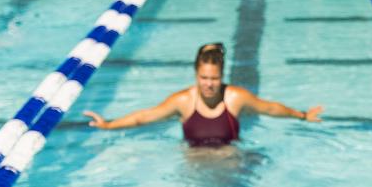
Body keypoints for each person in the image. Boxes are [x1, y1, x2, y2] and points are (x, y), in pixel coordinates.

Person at [85, 42, 321, 145]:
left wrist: (302, 116)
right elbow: (144, 117)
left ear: (222, 76)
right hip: (194, 163)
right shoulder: (184, 100)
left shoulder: (234, 97)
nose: (209, 84)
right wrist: (108, 126)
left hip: (230, 159)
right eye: (204, 78)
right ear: (196, 74)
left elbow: (269, 108)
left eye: (214, 78)